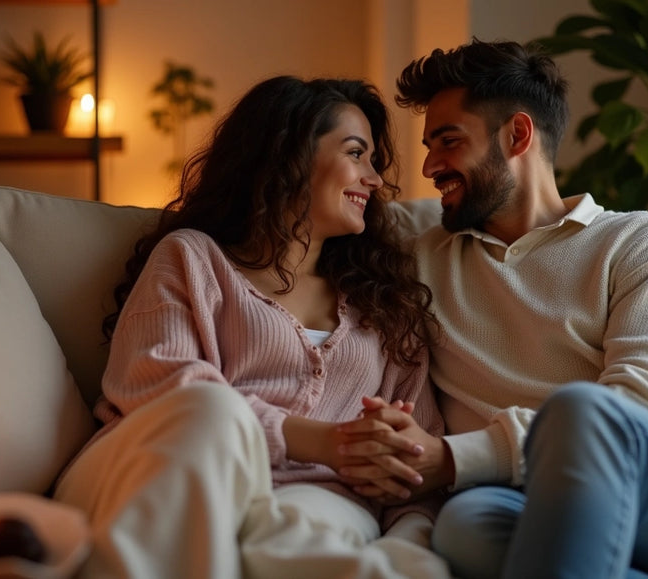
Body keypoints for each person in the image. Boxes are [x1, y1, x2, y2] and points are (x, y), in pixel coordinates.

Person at [337, 39, 648, 578]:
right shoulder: (420, 260)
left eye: (448, 141)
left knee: (582, 412)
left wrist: (457, 458)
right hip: (522, 494)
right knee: (463, 525)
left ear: (517, 134)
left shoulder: (637, 241)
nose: (430, 165)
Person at [54, 75, 451, 579]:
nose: (374, 179)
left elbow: (419, 459)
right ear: (289, 156)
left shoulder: (388, 305)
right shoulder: (194, 259)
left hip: (313, 504)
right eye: (356, 154)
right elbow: (156, 386)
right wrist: (331, 443)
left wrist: (410, 540)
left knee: (303, 535)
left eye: (374, 161)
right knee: (210, 409)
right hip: (152, 470)